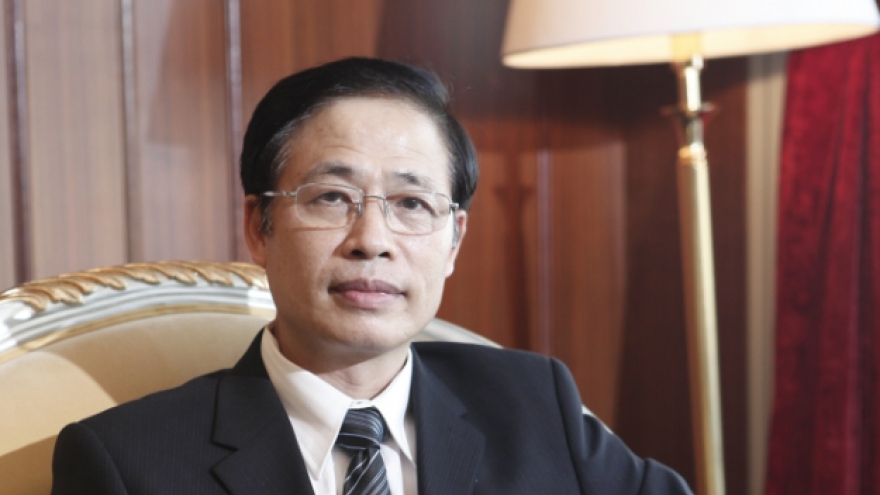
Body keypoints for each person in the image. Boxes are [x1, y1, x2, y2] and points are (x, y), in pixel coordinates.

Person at [51, 57, 692, 494]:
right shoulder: (128, 462)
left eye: (412, 204)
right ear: (258, 227)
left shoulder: (534, 403)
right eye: (332, 197)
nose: (373, 241)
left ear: (453, 241)